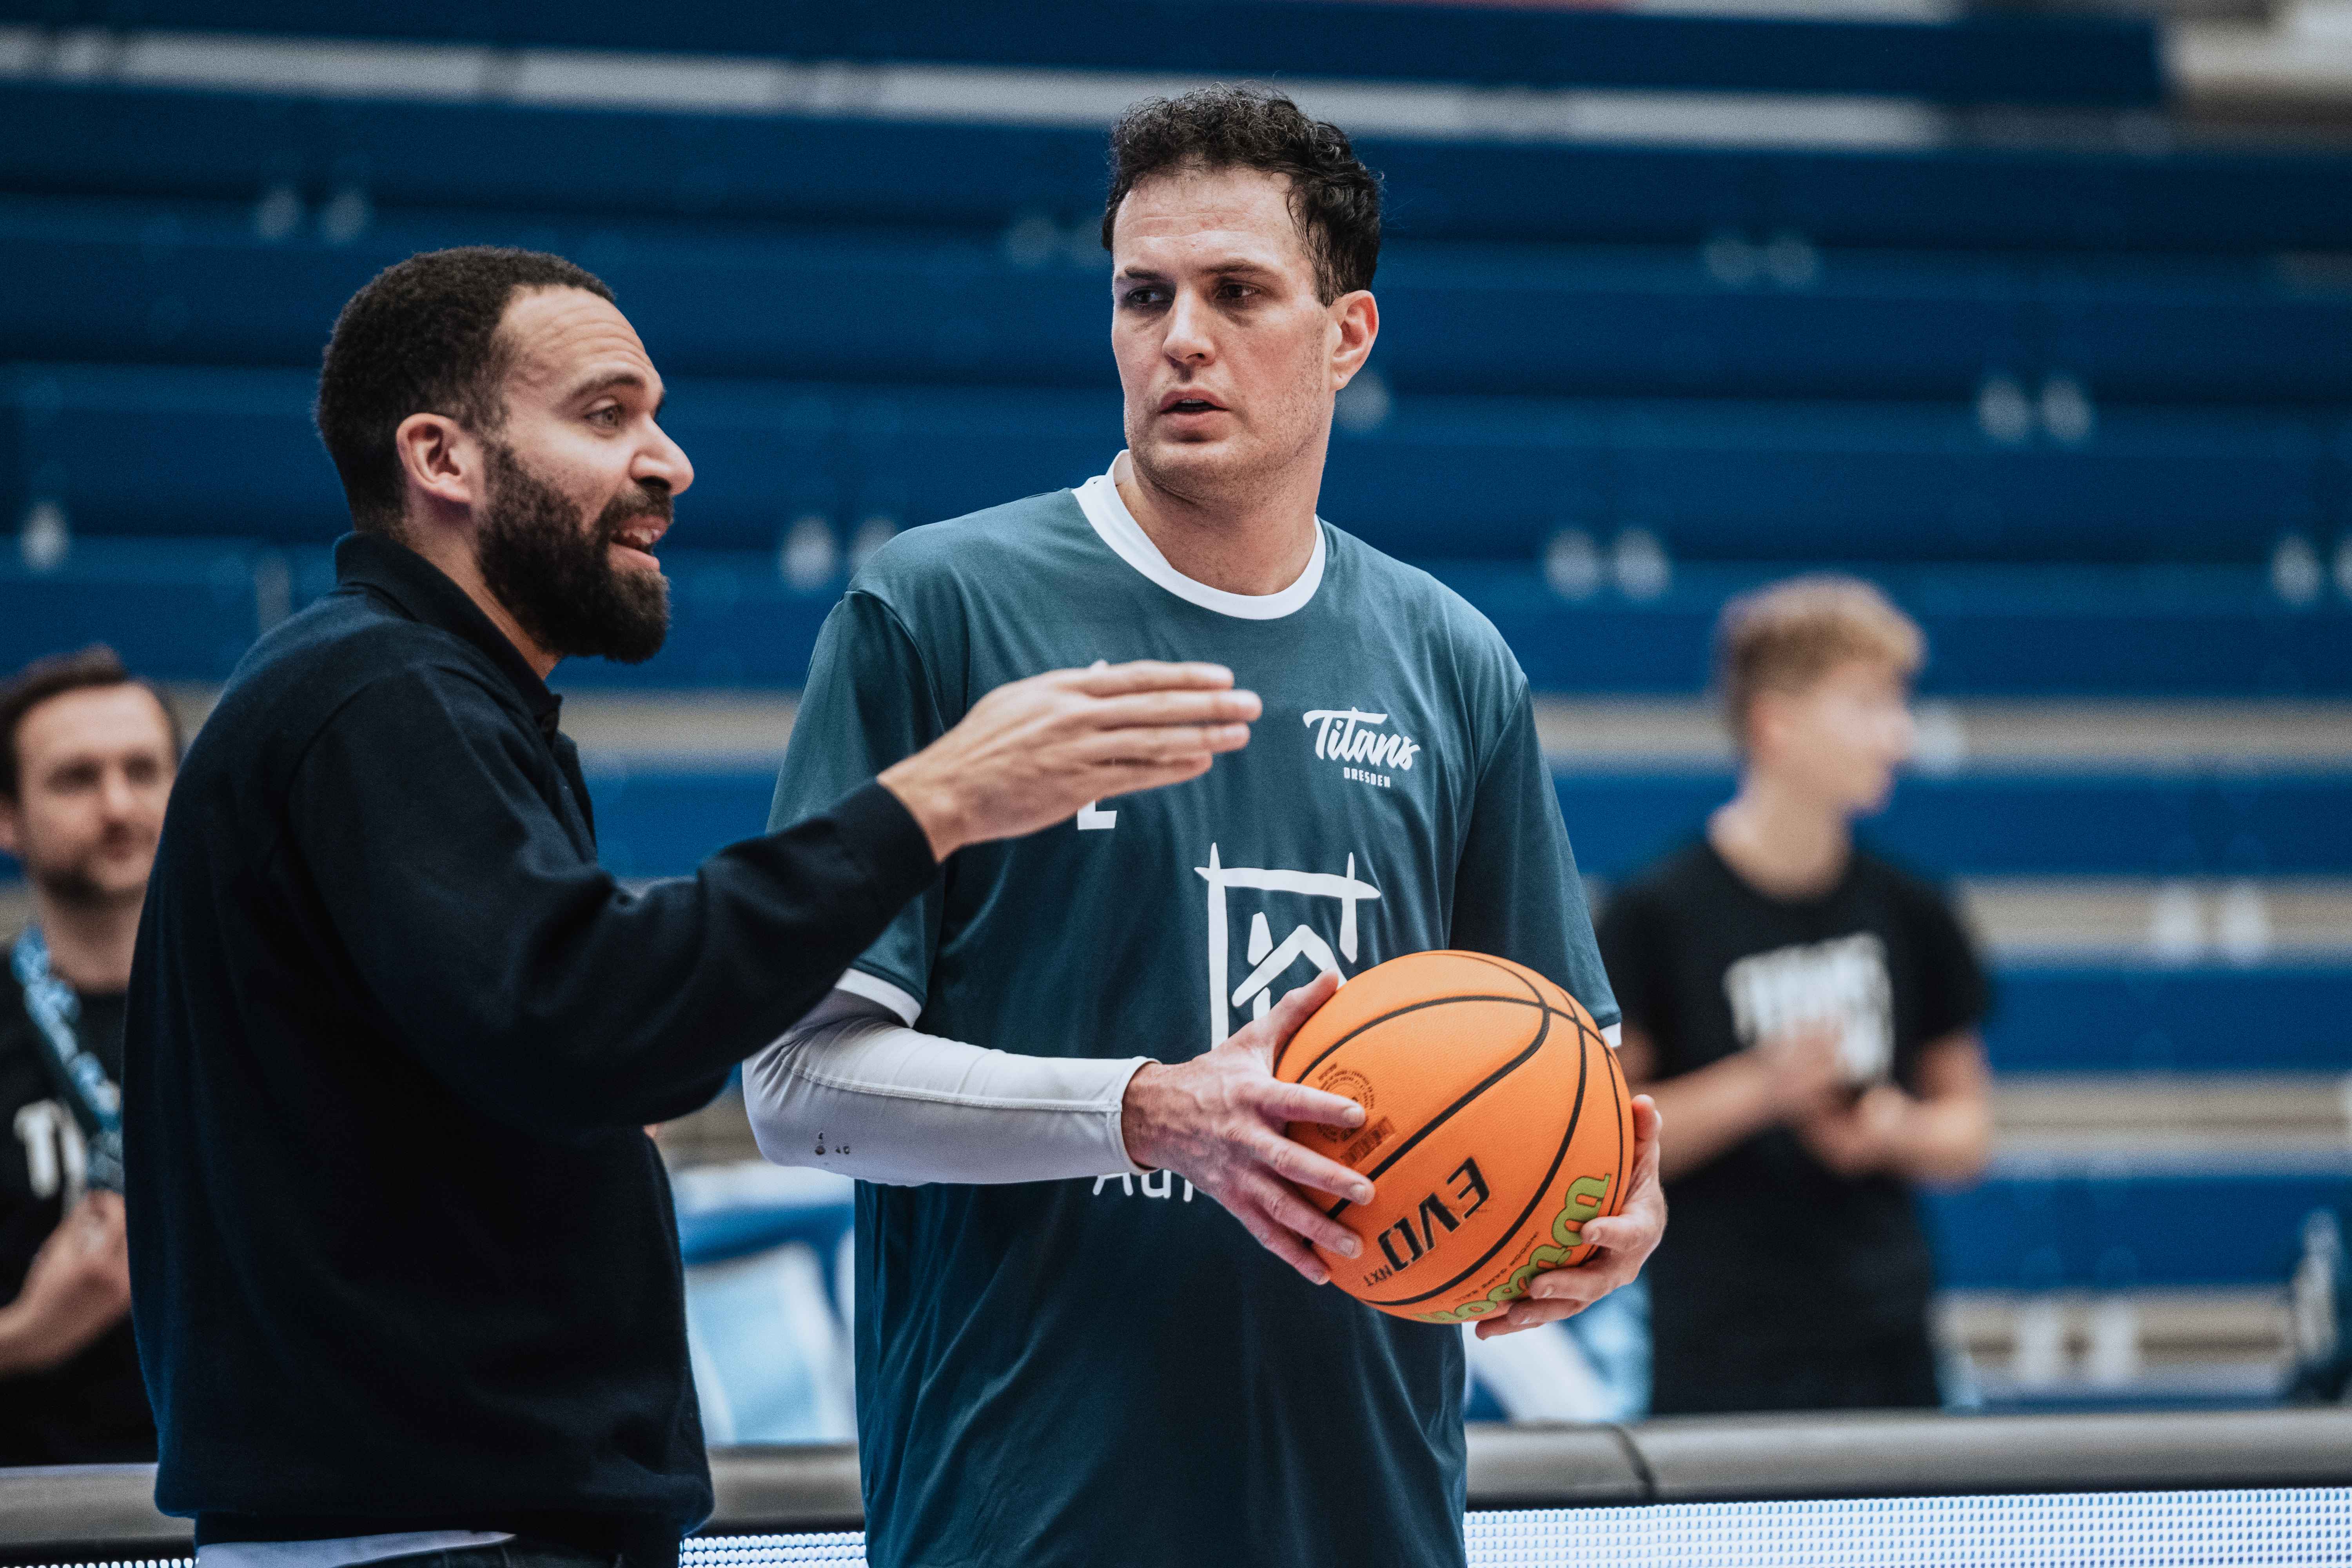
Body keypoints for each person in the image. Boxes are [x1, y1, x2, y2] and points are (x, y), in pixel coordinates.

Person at [125, 247, 1258, 1568]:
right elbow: (590, 1018)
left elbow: (575, 1032)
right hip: (433, 1537)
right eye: (607, 416)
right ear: (443, 458)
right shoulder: (381, 695)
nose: (671, 464)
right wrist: (935, 800)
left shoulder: (422, 702)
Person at [744, 88, 1665, 1568]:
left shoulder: (1455, 661)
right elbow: (795, 1085)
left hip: (1370, 1518)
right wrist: (1154, 1112)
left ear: (1347, 335)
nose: (1182, 336)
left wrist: (1618, 1209)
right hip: (1024, 1520)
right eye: (1142, 295)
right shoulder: (938, 609)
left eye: (1238, 293)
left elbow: (1568, 1074)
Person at [1597, 575, 1993, 1416]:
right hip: (1719, 1351)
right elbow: (1606, 1138)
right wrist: (1762, 1086)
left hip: (1888, 1340)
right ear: (1776, 722)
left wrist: (1895, 1130)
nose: (1900, 732)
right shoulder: (1654, 914)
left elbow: (1969, 1130)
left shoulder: (1913, 908)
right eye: (1868, 703)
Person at [0, 645, 177, 1463]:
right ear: (8, 815)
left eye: (143, 770)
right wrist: (27, 1335)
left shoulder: (286, 1011)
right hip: (36, 1510)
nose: (117, 804)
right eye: (76, 777)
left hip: (252, 1517)